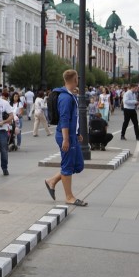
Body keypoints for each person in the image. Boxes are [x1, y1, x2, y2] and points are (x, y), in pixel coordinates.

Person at [43, 69, 88, 207]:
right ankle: (69, 197)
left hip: (71, 135)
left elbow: (73, 118)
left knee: (78, 165)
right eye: (77, 79)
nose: (78, 81)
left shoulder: (70, 95)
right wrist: (66, 139)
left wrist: (77, 132)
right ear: (75, 80)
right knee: (67, 166)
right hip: (65, 136)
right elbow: (64, 118)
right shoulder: (65, 97)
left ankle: (52, 180)